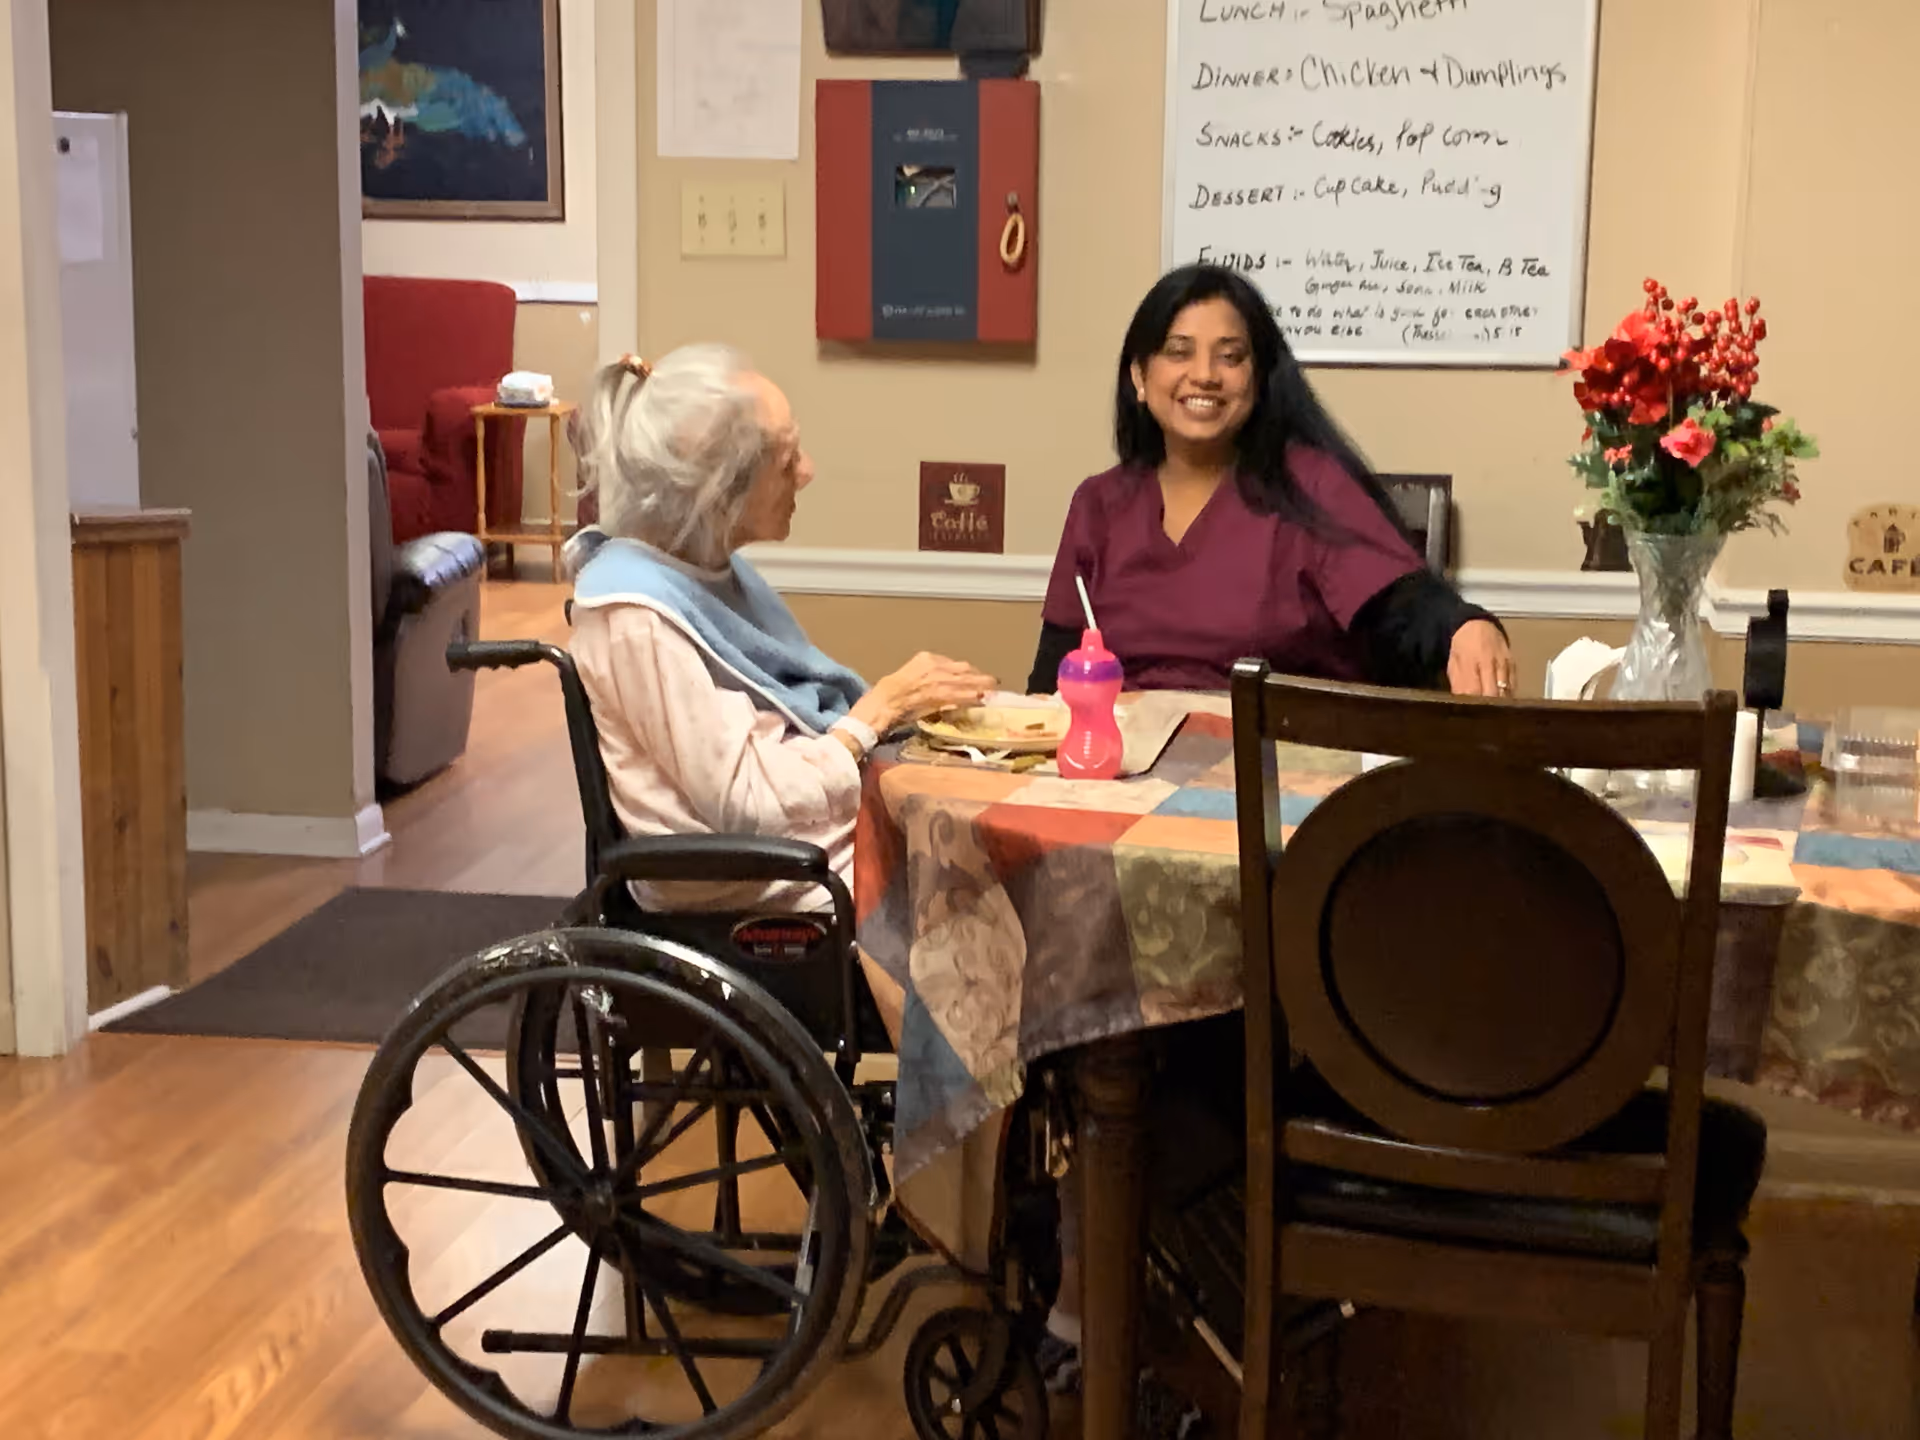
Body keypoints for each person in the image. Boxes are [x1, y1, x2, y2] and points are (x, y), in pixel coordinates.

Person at [565, 344, 993, 958]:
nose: (809, 470)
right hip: (739, 881)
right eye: (787, 459)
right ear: (719, 492)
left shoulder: (706, 572)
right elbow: (749, 807)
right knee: (977, 901)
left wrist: (897, 713)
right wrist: (875, 713)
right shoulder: (636, 617)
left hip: (803, 841)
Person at [1028, 262, 1513, 697]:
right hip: (1120, 771)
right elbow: (1052, 682)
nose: (1204, 375)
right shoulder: (1099, 502)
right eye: (1179, 352)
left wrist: (1463, 625)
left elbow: (1401, 607)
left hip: (1271, 766)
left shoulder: (1310, 483)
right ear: (1139, 376)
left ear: (1258, 380)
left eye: (1230, 357)